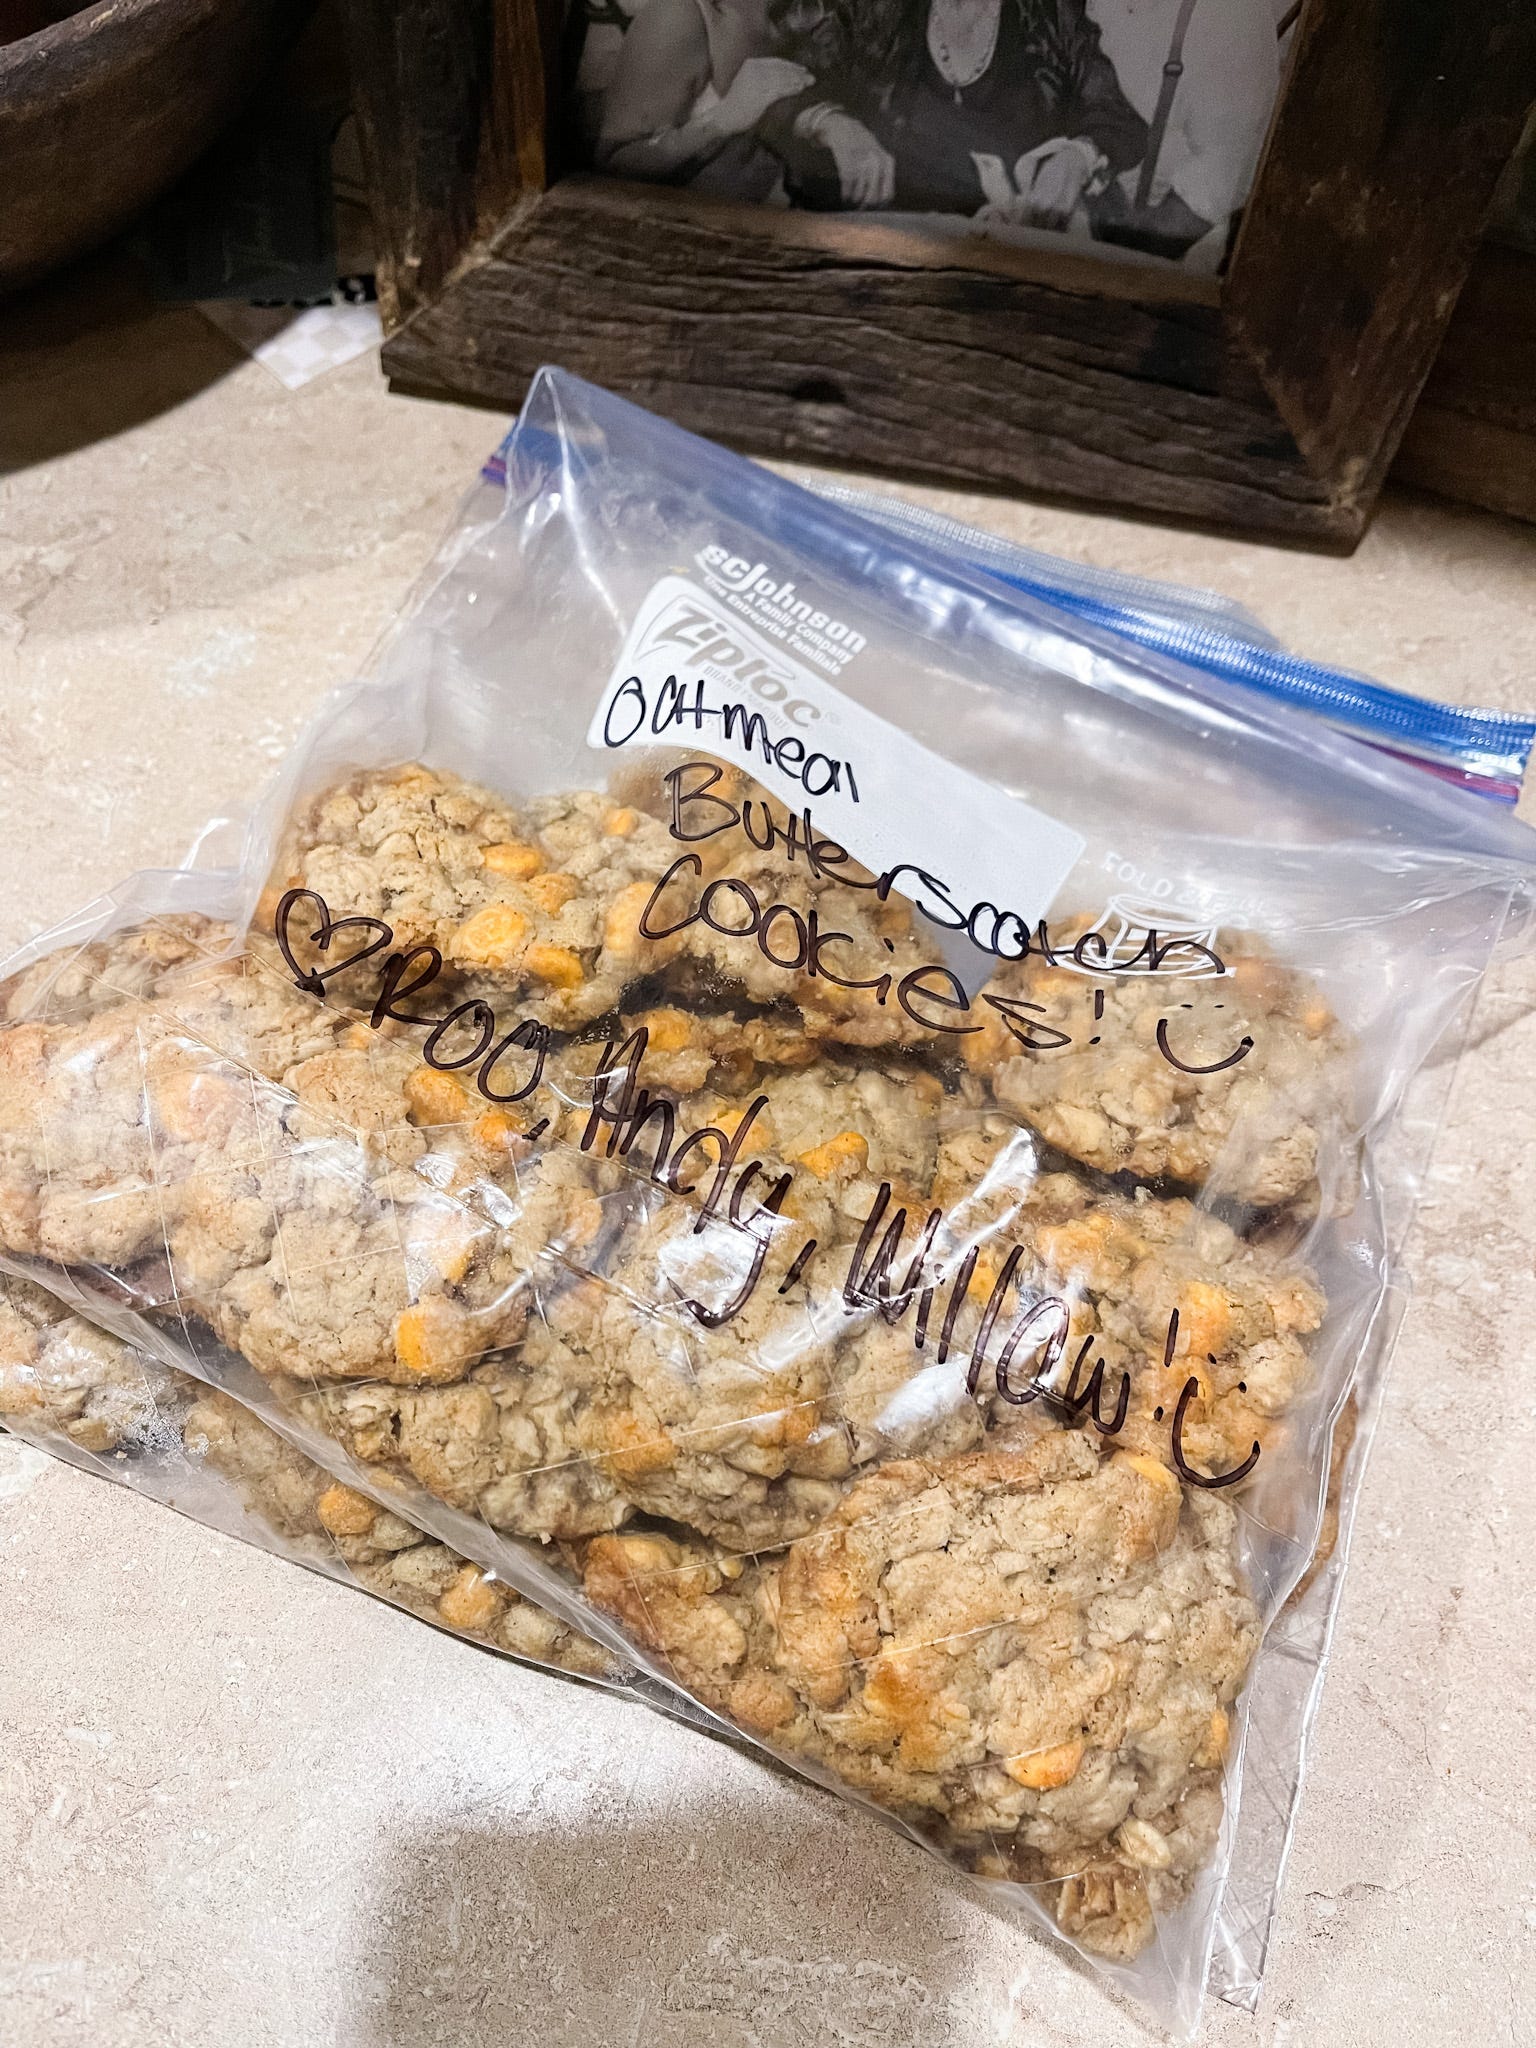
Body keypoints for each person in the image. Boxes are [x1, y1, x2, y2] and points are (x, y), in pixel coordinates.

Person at [760, 0, 1148, 222]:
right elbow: (780, 85)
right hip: (883, 240)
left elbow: (1116, 117)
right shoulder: (874, 9)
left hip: (1008, 255)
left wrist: (1075, 158)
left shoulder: (1053, 16)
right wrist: (833, 124)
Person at [1086, 0, 1281, 265]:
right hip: (1071, 191)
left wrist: (1132, 250)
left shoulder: (1234, 15)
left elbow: (1224, 167)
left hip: (1154, 245)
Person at [593, 0, 816, 202]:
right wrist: (721, 120)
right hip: (695, 223)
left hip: (786, 208)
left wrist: (822, 120)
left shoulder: (805, 10)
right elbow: (613, 166)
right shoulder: (680, 14)